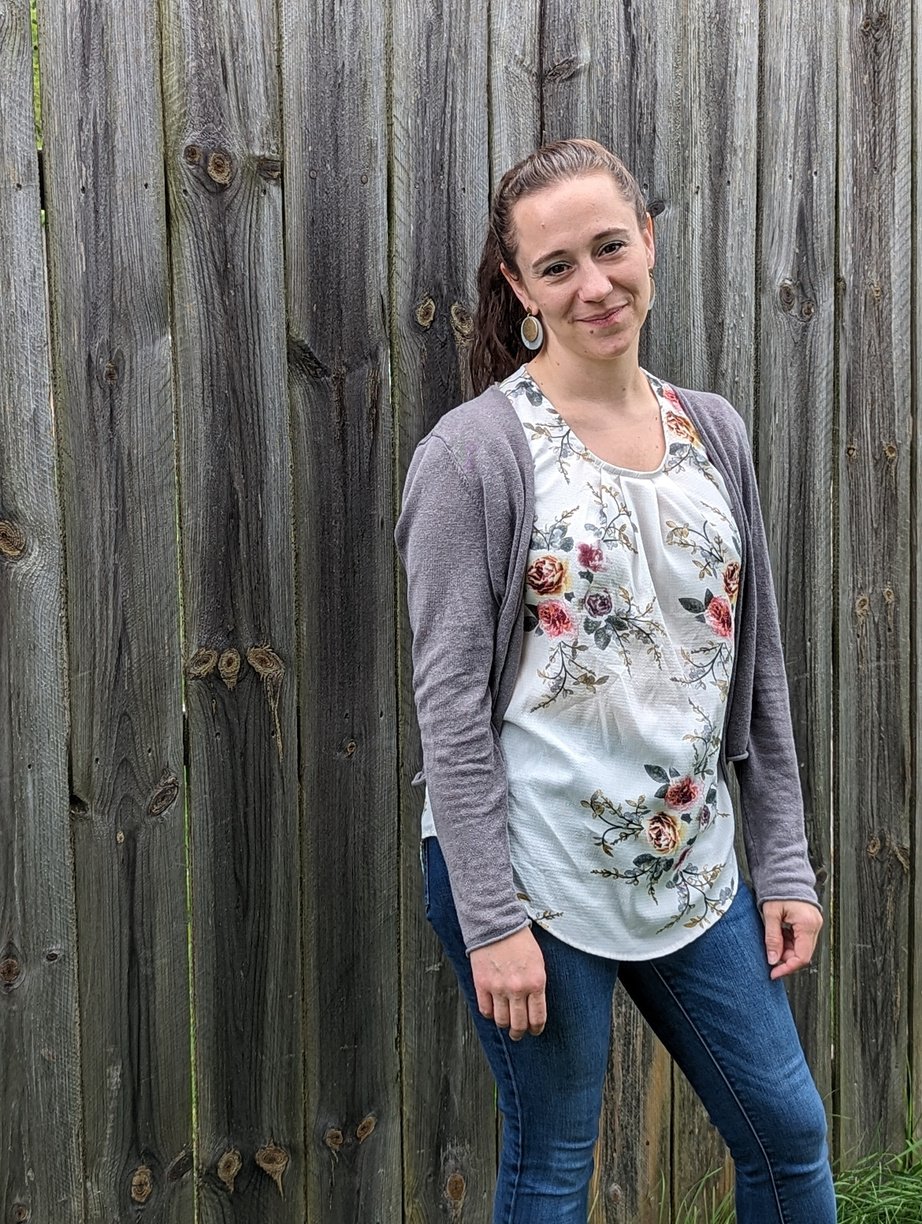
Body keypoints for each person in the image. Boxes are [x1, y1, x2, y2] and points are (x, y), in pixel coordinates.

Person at [395, 138, 836, 1224]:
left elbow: (755, 668)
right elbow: (449, 710)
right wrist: (491, 920)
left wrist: (783, 859)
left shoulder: (712, 432)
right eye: (556, 267)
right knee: (553, 1163)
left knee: (788, 1139)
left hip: (694, 867)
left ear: (648, 239)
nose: (593, 285)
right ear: (519, 287)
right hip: (535, 874)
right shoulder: (473, 456)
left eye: (609, 248)